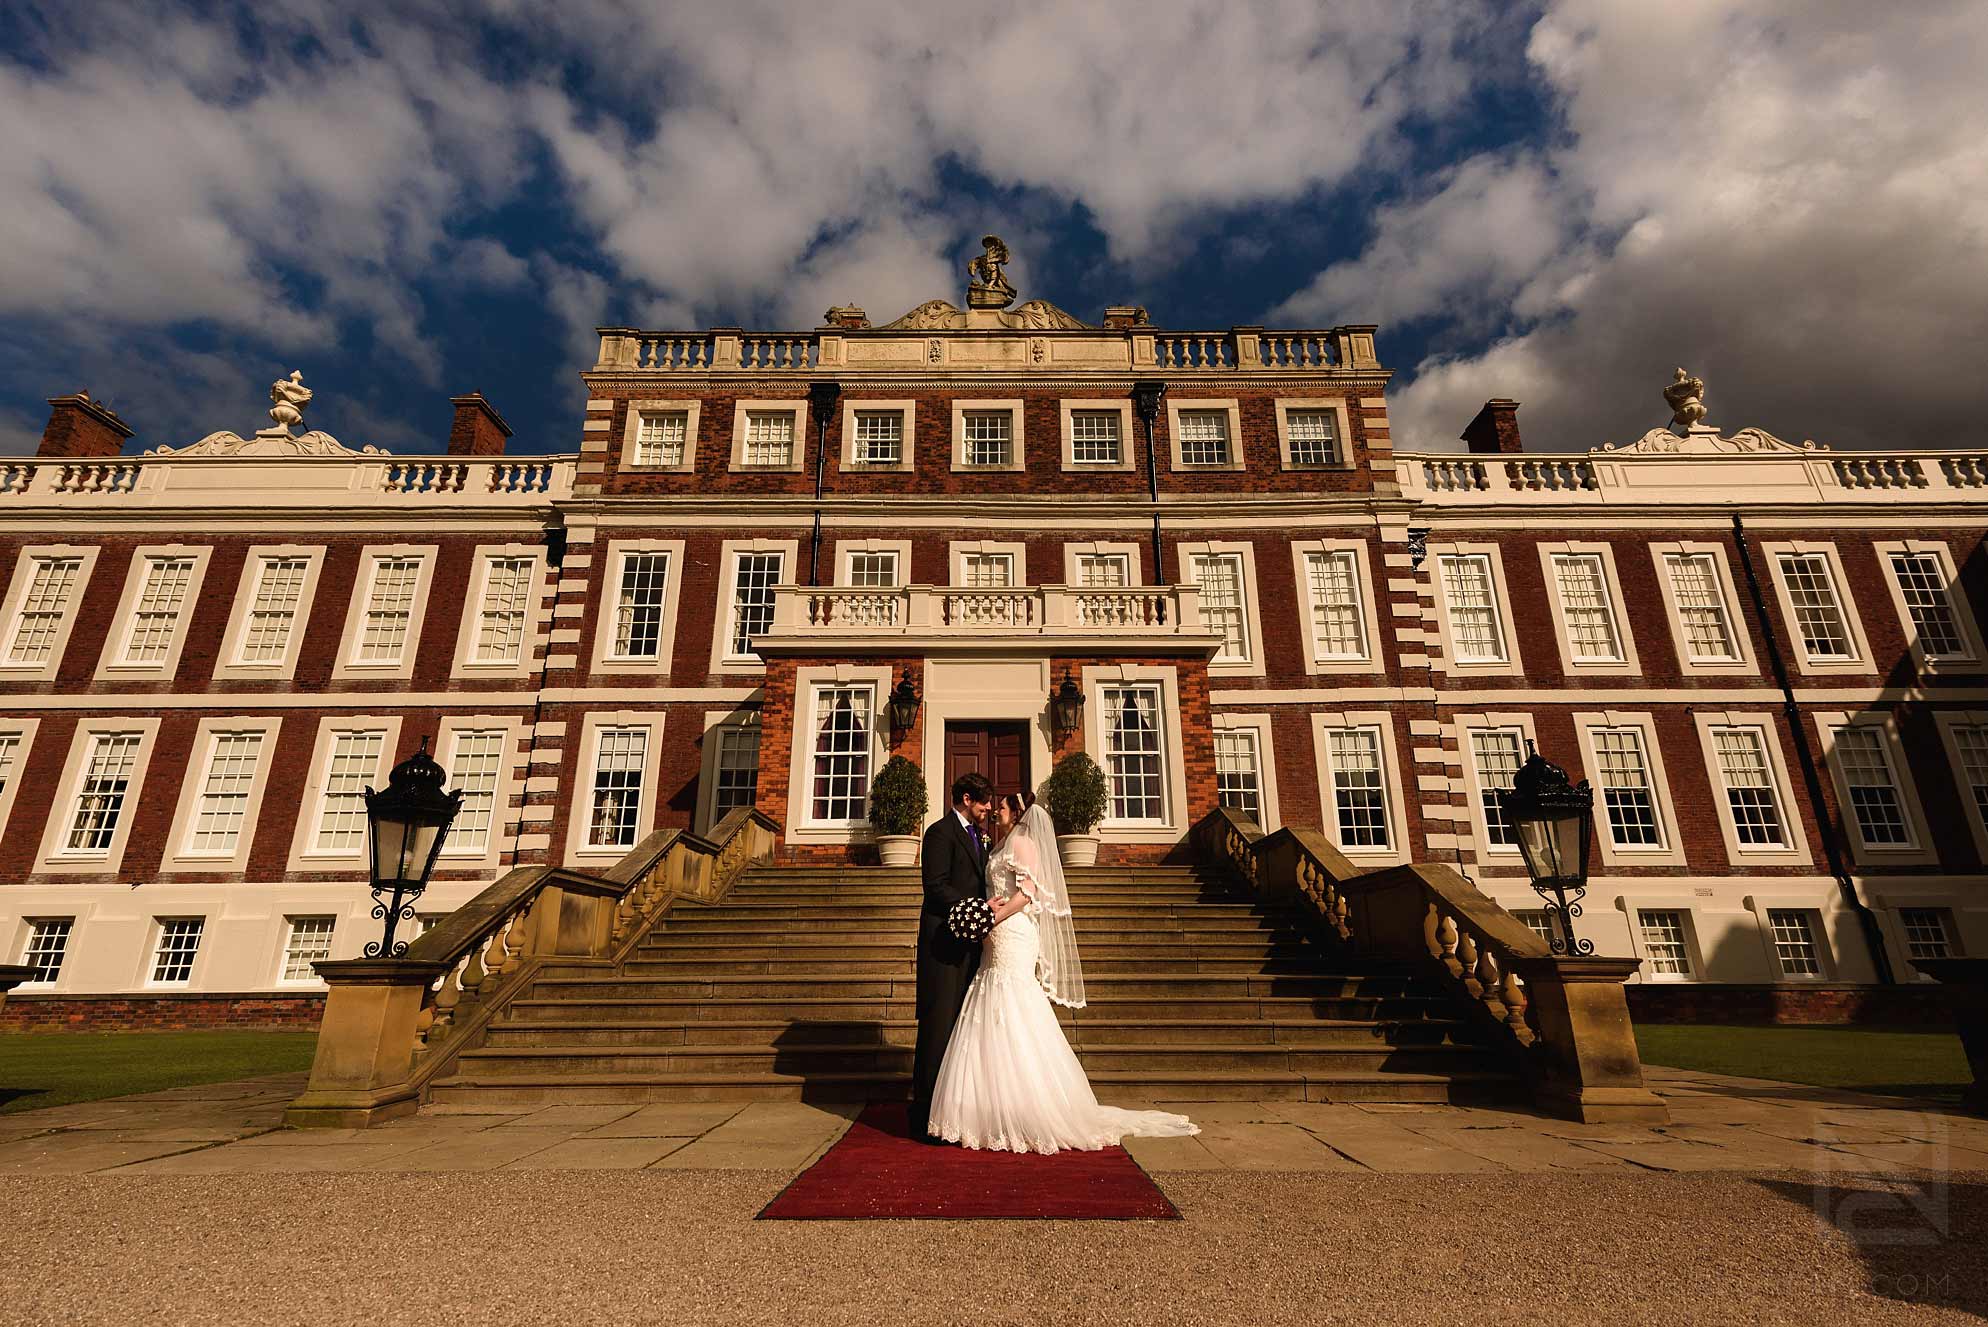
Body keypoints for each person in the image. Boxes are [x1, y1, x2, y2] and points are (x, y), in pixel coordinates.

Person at [927, 791, 1200, 1153]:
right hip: (994, 938)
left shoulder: (1023, 844)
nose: (996, 812)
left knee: (1013, 1006)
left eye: (1003, 808)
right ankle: (990, 1105)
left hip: (1013, 932)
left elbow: (1026, 894)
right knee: (989, 1005)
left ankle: (1028, 1106)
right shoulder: (1002, 843)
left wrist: (991, 917)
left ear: (1018, 814)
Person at [909, 771, 995, 1143]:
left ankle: (953, 1113)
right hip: (942, 946)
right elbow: (935, 886)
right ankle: (924, 1116)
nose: (989, 808)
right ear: (964, 798)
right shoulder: (939, 834)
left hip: (970, 946)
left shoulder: (981, 836)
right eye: (983, 801)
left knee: (962, 1031)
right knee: (938, 1028)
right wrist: (976, 909)